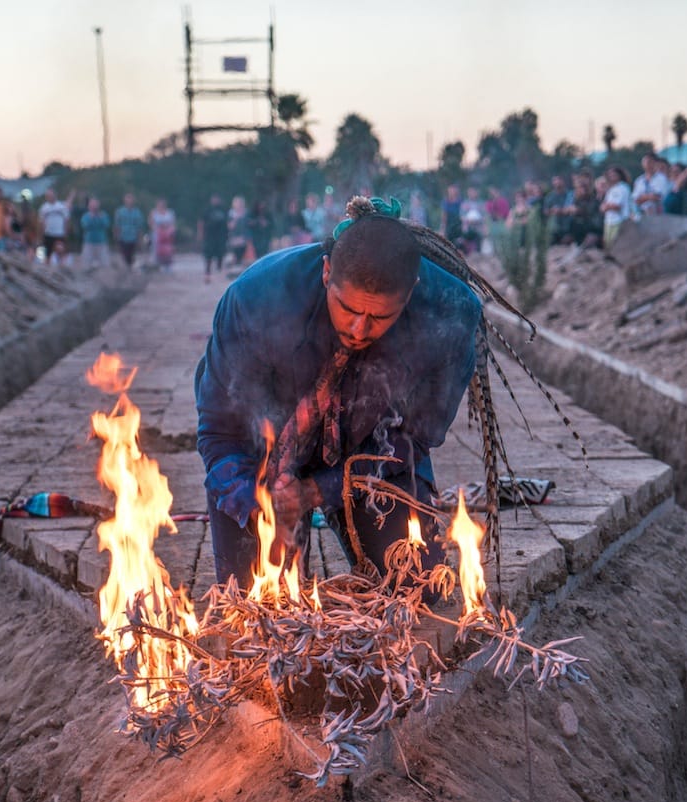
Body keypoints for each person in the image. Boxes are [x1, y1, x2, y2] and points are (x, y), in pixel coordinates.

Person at [195, 196, 482, 584]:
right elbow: (219, 432)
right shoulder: (256, 301)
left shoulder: (450, 315)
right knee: (253, 603)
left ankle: (341, 511)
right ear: (327, 272)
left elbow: (412, 441)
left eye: (380, 317)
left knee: (415, 582)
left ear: (411, 291)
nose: (359, 330)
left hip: (367, 457)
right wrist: (259, 501)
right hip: (260, 456)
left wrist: (318, 491)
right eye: (348, 309)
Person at [39, 188, 73, 265]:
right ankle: (46, 270)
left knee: (61, 252)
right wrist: (42, 234)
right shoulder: (44, 208)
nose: (49, 197)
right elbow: (42, 222)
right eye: (48, 195)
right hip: (48, 234)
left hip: (59, 233)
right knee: (48, 254)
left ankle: (62, 267)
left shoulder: (61, 206)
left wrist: (66, 232)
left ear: (55, 195)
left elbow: (66, 220)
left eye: (51, 195)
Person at [600, 166, 632, 250]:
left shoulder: (623, 188)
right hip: (609, 220)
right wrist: (607, 206)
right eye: (610, 175)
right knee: (607, 243)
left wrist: (607, 206)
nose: (611, 176)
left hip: (619, 220)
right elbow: (604, 205)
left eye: (614, 174)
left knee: (617, 245)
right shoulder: (611, 189)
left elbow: (617, 206)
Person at [198, 194, 228, 281]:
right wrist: (200, 234)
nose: (215, 201)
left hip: (221, 236)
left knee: (221, 253)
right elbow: (201, 222)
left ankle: (219, 269)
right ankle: (207, 271)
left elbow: (228, 222)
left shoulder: (223, 210)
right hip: (209, 236)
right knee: (208, 255)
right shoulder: (207, 210)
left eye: (217, 199)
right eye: (214, 199)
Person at [632, 154, 672, 218]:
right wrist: (648, 197)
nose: (647, 164)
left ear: (655, 163)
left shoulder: (662, 178)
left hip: (658, 215)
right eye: (645, 162)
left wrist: (643, 197)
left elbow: (658, 197)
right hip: (641, 215)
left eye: (650, 161)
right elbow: (635, 199)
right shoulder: (639, 180)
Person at [113, 193, 143, 268]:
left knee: (131, 255)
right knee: (125, 255)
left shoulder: (137, 212)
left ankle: (130, 269)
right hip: (123, 237)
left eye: (131, 200)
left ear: (133, 201)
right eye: (127, 200)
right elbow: (117, 225)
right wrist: (116, 238)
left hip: (133, 238)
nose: (129, 202)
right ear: (124, 201)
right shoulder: (119, 211)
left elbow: (139, 227)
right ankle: (127, 269)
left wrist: (140, 240)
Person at [80, 197, 110, 268]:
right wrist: (91, 217)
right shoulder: (86, 216)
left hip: (101, 242)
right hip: (89, 242)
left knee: (105, 264)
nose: (94, 206)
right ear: (89, 206)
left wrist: (100, 217)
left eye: (95, 204)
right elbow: (85, 226)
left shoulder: (103, 215)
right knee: (86, 264)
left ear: (98, 205)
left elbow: (106, 225)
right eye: (92, 204)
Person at [148, 197, 176, 271]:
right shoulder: (153, 212)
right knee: (156, 250)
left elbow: (172, 224)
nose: (161, 206)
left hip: (167, 235)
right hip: (157, 234)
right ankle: (156, 266)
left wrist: (170, 232)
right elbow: (150, 223)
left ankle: (168, 266)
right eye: (159, 204)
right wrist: (157, 229)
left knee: (168, 250)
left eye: (162, 204)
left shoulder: (170, 213)